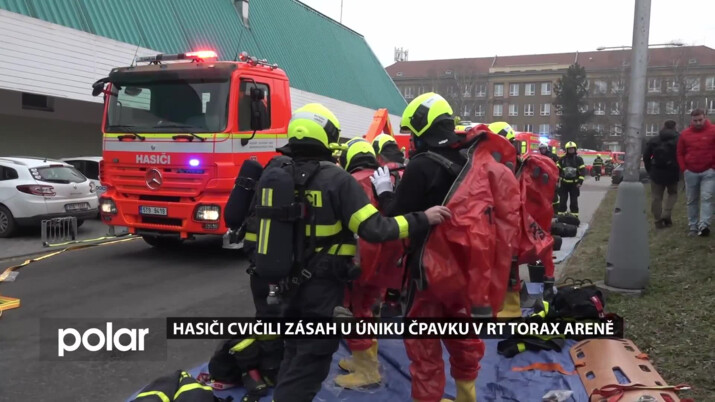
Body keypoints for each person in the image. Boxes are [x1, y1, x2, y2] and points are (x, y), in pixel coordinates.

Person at [251, 103, 450, 402]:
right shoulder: (337, 180)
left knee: (293, 347)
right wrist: (424, 218)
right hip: (321, 286)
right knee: (311, 360)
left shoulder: (273, 172)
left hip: (281, 280)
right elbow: (376, 229)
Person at [371, 93, 484, 402]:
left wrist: (383, 193)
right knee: (463, 335)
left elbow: (396, 217)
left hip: (428, 273)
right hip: (464, 268)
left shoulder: (422, 166)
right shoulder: (469, 160)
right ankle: (466, 396)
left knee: (424, 344)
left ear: (422, 127)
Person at [334, 138, 405, 389]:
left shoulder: (351, 183)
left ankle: (367, 371)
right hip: (387, 258)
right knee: (370, 308)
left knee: (357, 311)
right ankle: (365, 360)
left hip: (361, 258)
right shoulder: (386, 177)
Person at [676, 109, 714, 237]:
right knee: (692, 200)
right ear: (691, 120)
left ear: (705, 118)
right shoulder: (685, 134)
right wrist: (684, 168)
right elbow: (680, 153)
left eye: (700, 120)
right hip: (690, 171)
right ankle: (693, 226)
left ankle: (704, 226)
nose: (698, 123)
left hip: (709, 172)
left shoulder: (713, 131)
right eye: (695, 120)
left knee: (706, 198)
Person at [643, 120, 681, 229]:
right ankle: (666, 213)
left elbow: (646, 157)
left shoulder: (654, 139)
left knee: (656, 197)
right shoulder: (679, 139)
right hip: (672, 172)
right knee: (673, 193)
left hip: (656, 172)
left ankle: (658, 221)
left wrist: (650, 170)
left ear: (663, 127)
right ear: (675, 127)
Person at [557, 142, 586, 217]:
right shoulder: (562, 159)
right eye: (569, 149)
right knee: (562, 202)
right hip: (564, 184)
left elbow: (583, 171)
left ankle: (574, 217)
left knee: (574, 202)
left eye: (572, 149)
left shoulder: (578, 159)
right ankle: (561, 217)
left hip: (574, 184)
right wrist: (557, 181)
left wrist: (580, 182)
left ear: (575, 149)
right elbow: (557, 171)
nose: (571, 150)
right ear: (566, 150)